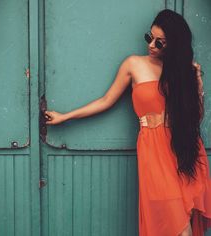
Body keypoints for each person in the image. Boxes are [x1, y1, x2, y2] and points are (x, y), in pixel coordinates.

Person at [45, 9, 211, 236]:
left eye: (159, 43)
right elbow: (106, 100)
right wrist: (65, 116)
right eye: (149, 38)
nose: (151, 45)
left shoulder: (181, 72)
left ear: (173, 45)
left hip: (185, 151)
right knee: (180, 228)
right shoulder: (134, 64)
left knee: (188, 225)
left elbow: (196, 118)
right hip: (154, 153)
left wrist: (198, 83)